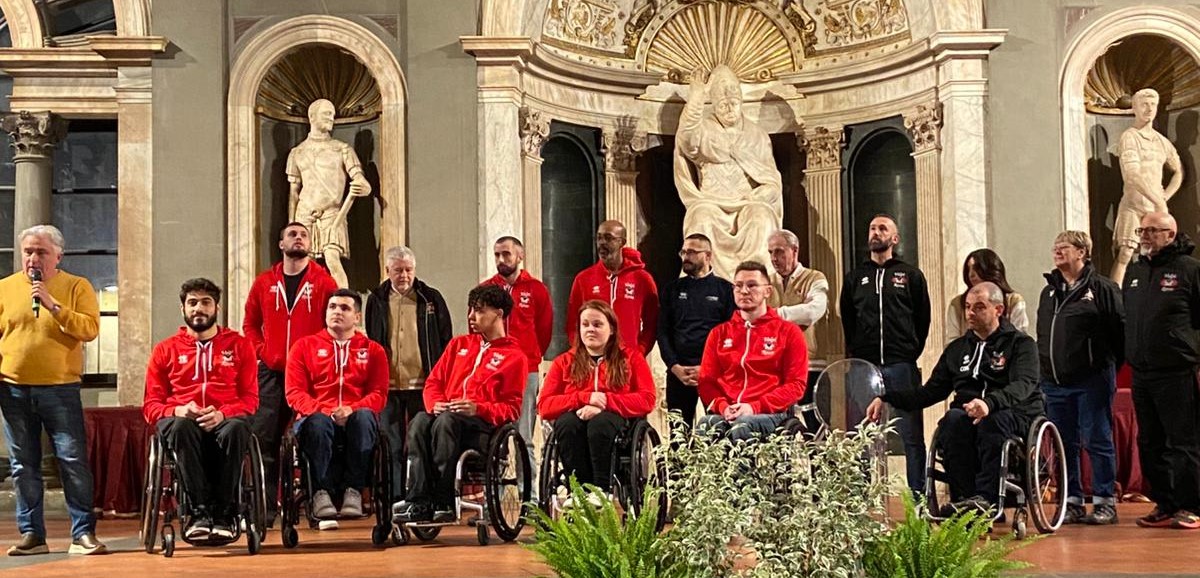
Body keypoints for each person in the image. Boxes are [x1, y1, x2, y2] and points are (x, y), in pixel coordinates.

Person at [866, 282, 1043, 515]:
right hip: (969, 412)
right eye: (968, 307)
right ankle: (965, 500)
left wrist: (989, 404)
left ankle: (986, 498)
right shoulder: (958, 349)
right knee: (952, 421)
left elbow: (1024, 384)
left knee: (992, 422)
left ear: (998, 310)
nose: (970, 313)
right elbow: (930, 392)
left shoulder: (1021, 344)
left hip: (1013, 411)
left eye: (979, 307)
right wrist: (887, 398)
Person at [0, 225, 105, 555]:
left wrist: (53, 305)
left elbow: (89, 329)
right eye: (28, 251)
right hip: (13, 389)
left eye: (41, 252)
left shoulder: (76, 286)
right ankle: (32, 535)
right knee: (23, 465)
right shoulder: (4, 288)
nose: (33, 258)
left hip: (60, 389)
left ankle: (83, 533)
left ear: (58, 255)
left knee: (72, 460)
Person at [394, 285, 528, 523]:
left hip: (482, 430)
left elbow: (512, 408)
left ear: (498, 314)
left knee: (445, 422)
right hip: (446, 420)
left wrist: (478, 408)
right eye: (471, 310)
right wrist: (436, 403)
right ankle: (418, 500)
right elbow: (433, 382)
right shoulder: (458, 345)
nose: (471, 316)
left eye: (479, 311)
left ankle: (444, 501)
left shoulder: (514, 356)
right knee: (421, 420)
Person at [143, 278, 258, 540]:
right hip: (182, 420)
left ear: (217, 308)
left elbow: (250, 399)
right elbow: (151, 406)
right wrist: (178, 410)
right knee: (181, 427)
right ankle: (198, 512)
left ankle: (224, 513)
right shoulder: (165, 350)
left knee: (237, 429)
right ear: (182, 308)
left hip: (225, 419)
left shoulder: (240, 346)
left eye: (206, 302)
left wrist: (222, 413)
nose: (199, 308)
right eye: (192, 302)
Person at [244, 221, 338, 522]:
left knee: (315, 433)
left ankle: (317, 504)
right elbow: (250, 324)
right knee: (264, 438)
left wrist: (318, 356)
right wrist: (262, 351)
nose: (298, 238)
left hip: (311, 375)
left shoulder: (324, 282)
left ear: (310, 244)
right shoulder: (264, 282)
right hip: (272, 373)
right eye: (292, 234)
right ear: (281, 244)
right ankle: (264, 509)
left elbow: (333, 326)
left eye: (303, 235)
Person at [1036, 231, 1125, 525]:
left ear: (1082, 252)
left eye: (1064, 247)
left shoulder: (1102, 288)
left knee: (1096, 440)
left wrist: (1101, 365)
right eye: (1055, 246)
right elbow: (1043, 335)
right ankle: (1071, 501)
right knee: (1064, 444)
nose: (1057, 251)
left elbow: (1118, 333)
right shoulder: (1049, 292)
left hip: (1092, 380)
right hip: (1055, 382)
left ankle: (1104, 502)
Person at [841, 214, 931, 496]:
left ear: (895, 238)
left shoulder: (911, 275)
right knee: (861, 435)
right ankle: (861, 499)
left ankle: (918, 498)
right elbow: (848, 320)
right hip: (864, 367)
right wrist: (859, 352)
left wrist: (908, 351)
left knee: (911, 435)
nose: (875, 232)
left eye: (883, 228)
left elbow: (922, 319)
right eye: (872, 228)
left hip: (901, 366)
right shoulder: (855, 278)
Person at [1121, 211, 1200, 529]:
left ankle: (1191, 506)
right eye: (1141, 230)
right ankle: (1165, 504)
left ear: (1170, 234)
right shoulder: (1136, 270)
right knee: (1150, 442)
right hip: (1142, 372)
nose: (1144, 236)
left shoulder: (1189, 269)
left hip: (1176, 371)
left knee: (1183, 442)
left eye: (1152, 231)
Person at [285, 289, 389, 521]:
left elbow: (379, 394)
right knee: (318, 423)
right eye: (332, 307)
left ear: (357, 317)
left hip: (357, 418)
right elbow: (294, 392)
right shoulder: (303, 347)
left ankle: (354, 491)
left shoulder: (374, 350)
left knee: (364, 417)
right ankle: (320, 493)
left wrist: (352, 409)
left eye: (344, 308)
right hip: (316, 419)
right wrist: (325, 411)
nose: (337, 312)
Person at [674, 64, 783, 279]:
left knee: (762, 217)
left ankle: (756, 283)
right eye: (723, 105)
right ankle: (702, 284)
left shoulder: (756, 135)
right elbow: (687, 140)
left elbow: (771, 180)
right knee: (700, 217)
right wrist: (696, 97)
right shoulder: (704, 129)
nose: (729, 109)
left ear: (741, 101)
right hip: (711, 202)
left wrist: (761, 194)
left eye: (734, 103)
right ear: (714, 105)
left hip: (748, 202)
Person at [364, 245, 453, 501]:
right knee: (391, 444)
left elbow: (445, 339)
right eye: (398, 270)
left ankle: (422, 495)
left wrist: (441, 380)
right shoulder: (376, 299)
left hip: (423, 384)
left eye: (408, 270)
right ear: (387, 270)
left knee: (420, 441)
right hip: (389, 385)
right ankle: (394, 498)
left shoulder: (430, 298)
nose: (404, 275)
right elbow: (373, 338)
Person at [539, 301, 656, 492]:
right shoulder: (564, 362)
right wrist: (584, 398)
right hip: (576, 416)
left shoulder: (632, 359)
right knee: (567, 424)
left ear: (612, 329)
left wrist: (606, 401)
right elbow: (544, 406)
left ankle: (600, 490)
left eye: (597, 324)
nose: (590, 329)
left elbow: (647, 399)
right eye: (585, 324)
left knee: (599, 424)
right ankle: (579, 491)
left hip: (616, 420)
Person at [697, 261, 808, 441]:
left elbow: (796, 385)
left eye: (752, 285)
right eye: (738, 286)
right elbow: (706, 382)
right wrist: (723, 407)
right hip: (729, 410)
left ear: (767, 291)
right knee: (706, 424)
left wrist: (754, 407)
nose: (744, 291)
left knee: (743, 425)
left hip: (770, 413)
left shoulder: (788, 332)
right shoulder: (718, 334)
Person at [482, 236, 552, 495]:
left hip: (526, 371)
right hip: (493, 371)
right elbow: (477, 327)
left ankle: (529, 496)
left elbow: (544, 330)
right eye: (497, 254)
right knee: (494, 437)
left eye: (507, 254)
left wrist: (530, 357)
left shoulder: (536, 290)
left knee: (524, 436)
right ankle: (494, 496)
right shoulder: (486, 289)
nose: (501, 259)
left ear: (520, 256)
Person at [287, 98, 373, 288]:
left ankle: (344, 302)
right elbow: (294, 192)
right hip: (304, 214)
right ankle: (306, 304)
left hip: (333, 214)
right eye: (327, 114)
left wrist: (362, 186)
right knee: (304, 266)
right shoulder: (297, 153)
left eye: (333, 115)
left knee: (333, 261)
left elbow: (360, 180)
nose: (331, 118)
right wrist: (291, 226)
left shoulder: (342, 149)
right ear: (312, 116)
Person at [657, 233, 734, 431]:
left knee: (719, 432)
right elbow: (663, 332)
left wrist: (708, 369)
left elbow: (731, 336)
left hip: (714, 375)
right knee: (678, 434)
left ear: (708, 256)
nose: (686, 257)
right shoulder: (672, 290)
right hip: (679, 373)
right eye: (683, 252)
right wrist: (674, 366)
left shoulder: (726, 290)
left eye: (692, 252)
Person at [1110, 88, 1184, 283]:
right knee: (1126, 253)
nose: (1149, 109)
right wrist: (1158, 200)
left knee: (1160, 254)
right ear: (1134, 108)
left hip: (1156, 208)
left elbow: (1178, 171)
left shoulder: (1162, 142)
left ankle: (1157, 293)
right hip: (1134, 205)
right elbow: (1132, 175)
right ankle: (1114, 297)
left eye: (1153, 104)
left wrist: (1165, 197)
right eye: (1144, 104)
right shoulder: (1130, 136)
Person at [567, 220, 659, 356]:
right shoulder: (583, 279)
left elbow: (652, 323)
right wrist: (581, 352)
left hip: (628, 359)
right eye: (599, 238)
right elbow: (573, 323)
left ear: (622, 242)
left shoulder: (642, 279)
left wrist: (639, 352)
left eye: (608, 238)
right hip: (592, 360)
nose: (602, 243)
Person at [766, 228, 829, 388]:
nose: (774, 258)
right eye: (771, 252)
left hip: (810, 364)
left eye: (779, 252)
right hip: (775, 366)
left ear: (795, 251)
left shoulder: (815, 277)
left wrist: (774, 315)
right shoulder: (766, 282)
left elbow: (814, 311)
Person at [946, 248, 1029, 340]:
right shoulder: (957, 304)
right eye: (968, 269)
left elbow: (1020, 338)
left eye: (976, 269)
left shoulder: (1013, 301)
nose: (971, 275)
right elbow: (953, 341)